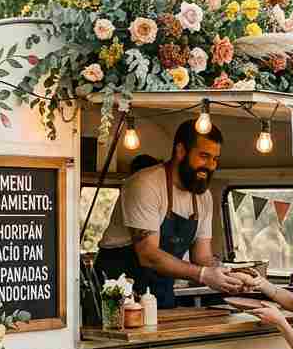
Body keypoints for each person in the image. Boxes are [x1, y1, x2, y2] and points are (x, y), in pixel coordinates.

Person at [94, 119, 246, 308]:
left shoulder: (203, 197)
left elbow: (202, 257)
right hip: (119, 292)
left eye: (215, 159)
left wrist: (229, 274)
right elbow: (148, 254)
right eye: (204, 156)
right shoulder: (145, 184)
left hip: (161, 291)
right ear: (181, 151)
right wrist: (203, 274)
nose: (210, 165)